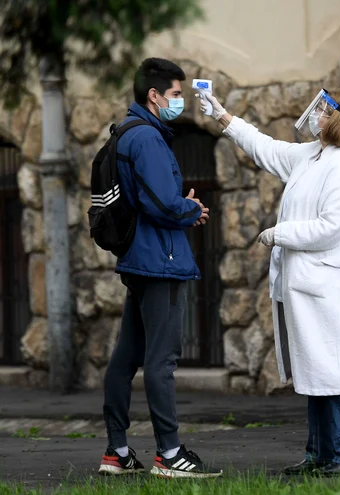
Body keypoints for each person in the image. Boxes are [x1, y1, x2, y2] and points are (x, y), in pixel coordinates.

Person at [198, 88, 340, 476]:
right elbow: (267, 149)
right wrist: (224, 118)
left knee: (336, 369)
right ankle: (322, 454)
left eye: (324, 111)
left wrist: (282, 233)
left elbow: (330, 228)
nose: (316, 115)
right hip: (307, 285)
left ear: (339, 121)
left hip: (327, 285)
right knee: (315, 370)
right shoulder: (313, 155)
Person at [99, 58, 222, 478]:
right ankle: (170, 454)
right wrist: (191, 208)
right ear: (154, 95)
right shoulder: (148, 139)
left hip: (138, 259)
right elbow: (161, 204)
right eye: (174, 94)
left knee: (126, 357)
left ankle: (117, 452)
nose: (178, 102)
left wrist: (180, 207)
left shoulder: (123, 133)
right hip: (160, 262)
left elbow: (149, 198)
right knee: (160, 361)